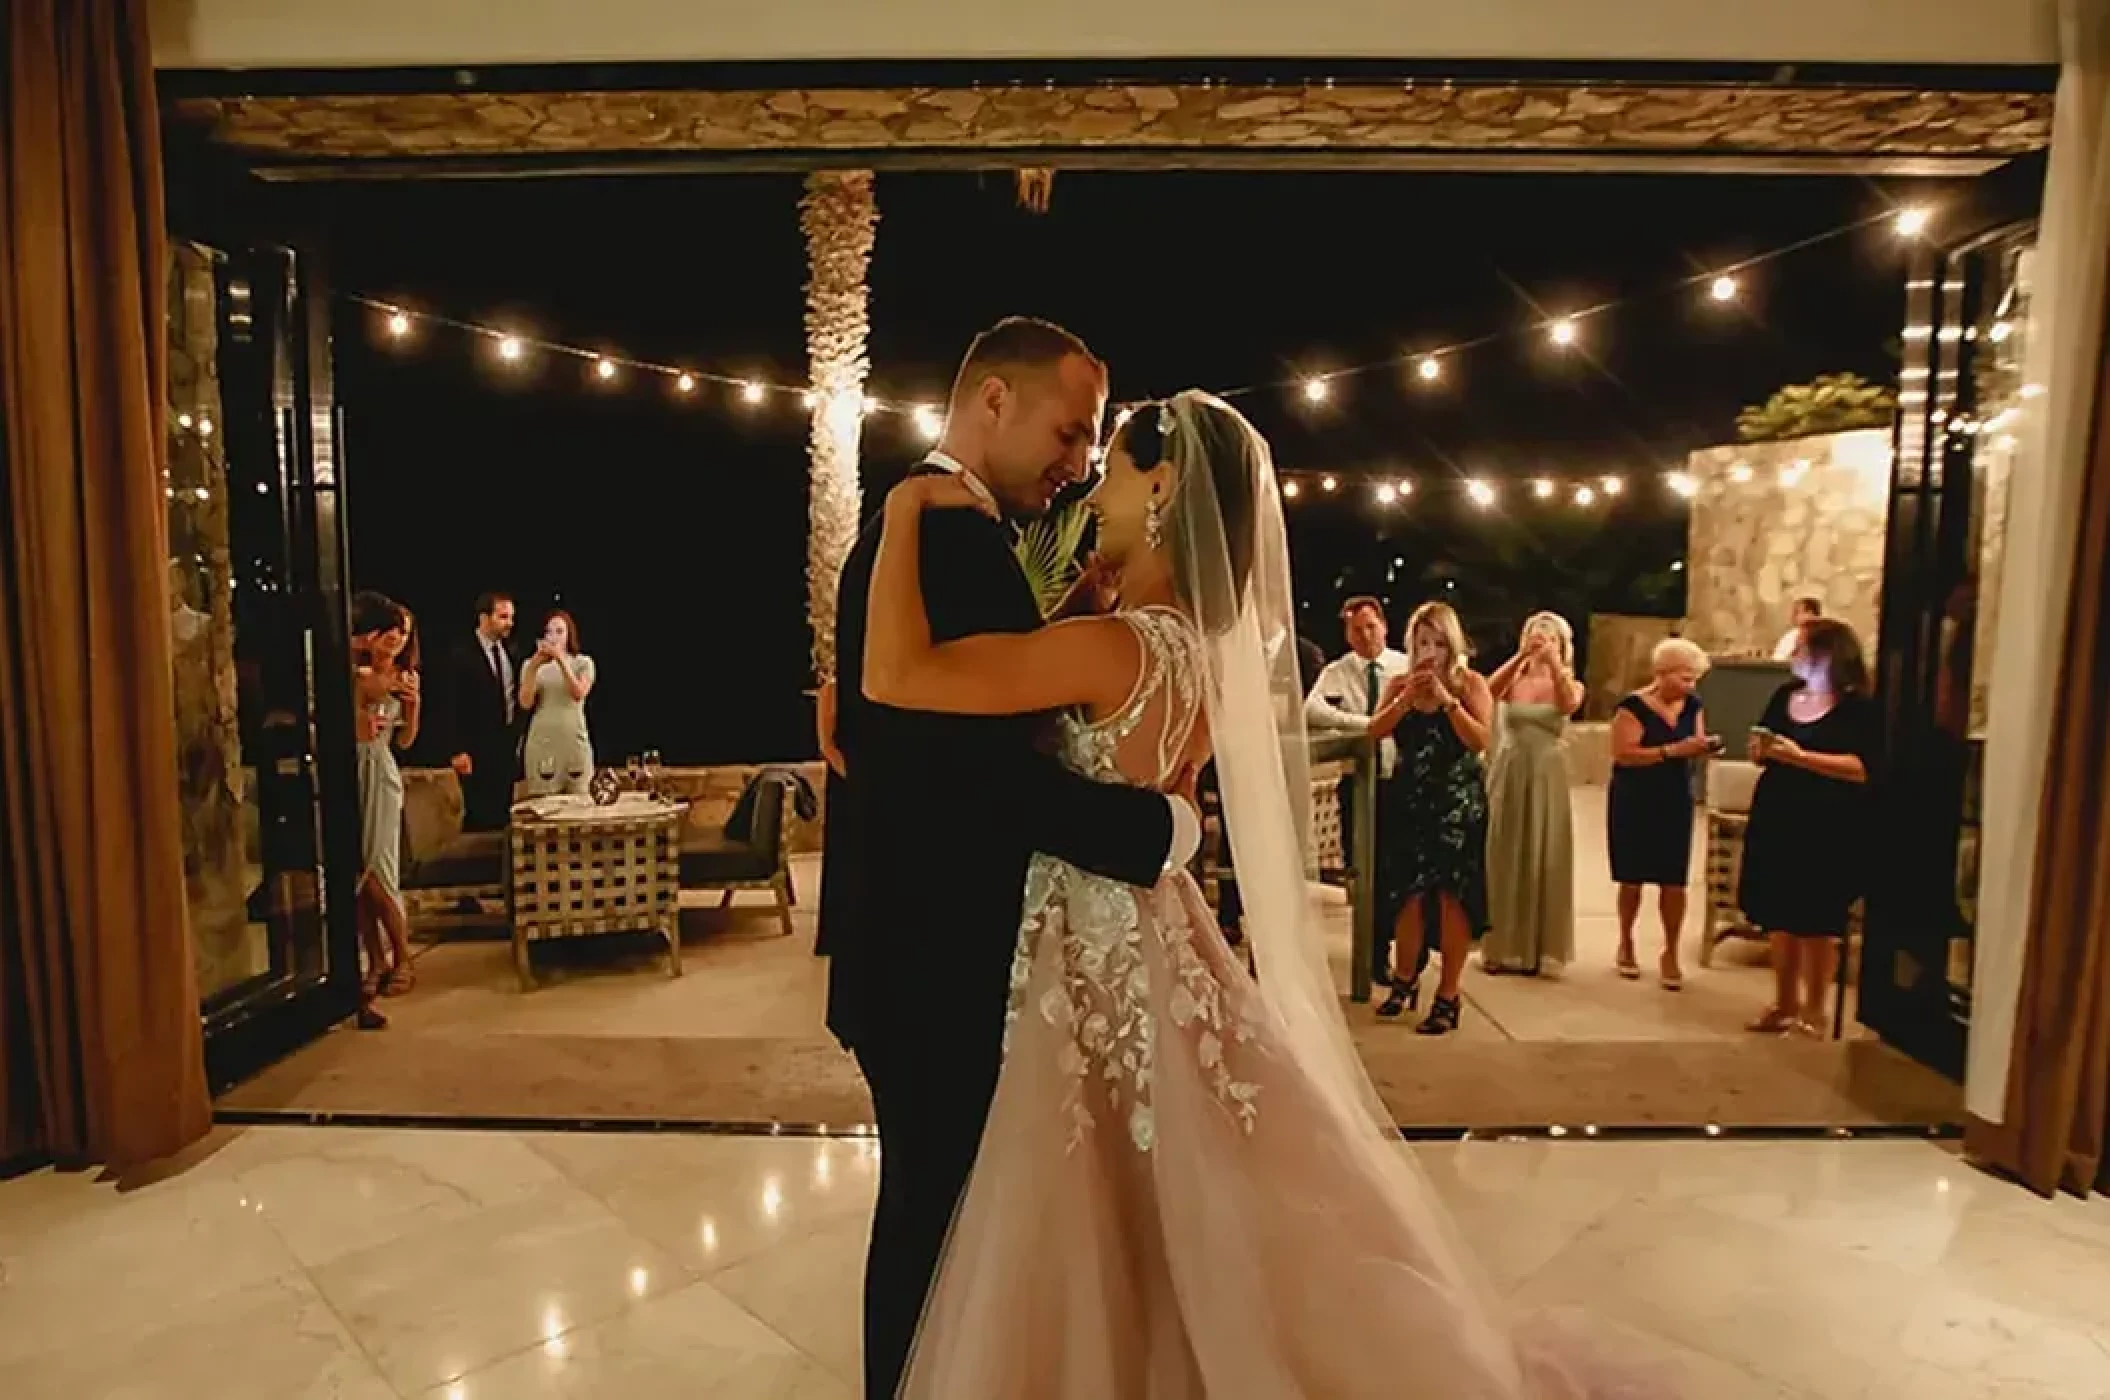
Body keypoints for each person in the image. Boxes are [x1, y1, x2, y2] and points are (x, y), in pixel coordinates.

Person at [869, 391, 1666, 1398]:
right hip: (1160, 930)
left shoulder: (1110, 649)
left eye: (1111, 467)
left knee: (1097, 1200)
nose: (1093, 487)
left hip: (1083, 952)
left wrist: (902, 513)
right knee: (1180, 1193)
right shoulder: (1194, 646)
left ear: (1161, 487)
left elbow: (897, 674)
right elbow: (1167, 793)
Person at [827, 318, 1201, 1400]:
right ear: (992, 399)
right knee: (932, 1220)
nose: (1080, 462)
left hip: (930, 945)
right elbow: (968, 778)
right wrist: (1154, 834)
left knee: (955, 1218)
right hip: (930, 957)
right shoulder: (941, 531)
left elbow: (971, 737)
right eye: (1069, 429)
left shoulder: (956, 533)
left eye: (1097, 445)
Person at [1741, 619, 1878, 1036]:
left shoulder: (1859, 708)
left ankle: (1815, 1011)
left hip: (1828, 819)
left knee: (1818, 918)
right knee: (1780, 914)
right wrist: (1763, 751)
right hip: (1779, 811)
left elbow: (1863, 768)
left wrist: (1800, 756)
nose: (1794, 656)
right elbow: (1764, 748)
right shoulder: (1784, 696)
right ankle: (1783, 1003)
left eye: (1802, 648)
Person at [1376, 600, 1494, 1031]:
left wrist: (1447, 703)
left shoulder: (1471, 684)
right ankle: (1405, 978)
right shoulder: (1399, 683)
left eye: (1438, 643)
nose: (1430, 652)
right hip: (1410, 800)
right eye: (1422, 642)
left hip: (1457, 804)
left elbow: (1480, 740)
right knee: (1407, 895)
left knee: (1451, 897)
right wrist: (1406, 700)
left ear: (1453, 645)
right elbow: (1375, 730)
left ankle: (1448, 995)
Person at [1305, 596, 1417, 985]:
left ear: (1384, 627)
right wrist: (1365, 724)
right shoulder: (1338, 671)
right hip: (1359, 782)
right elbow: (1312, 710)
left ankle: (1394, 953)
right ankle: (1371, 953)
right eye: (1356, 629)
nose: (1365, 635)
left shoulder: (1406, 667)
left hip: (1401, 781)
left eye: (1371, 627)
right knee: (1364, 871)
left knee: (1397, 873)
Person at [1607, 638, 1715, 989]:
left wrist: (1702, 747)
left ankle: (1670, 951)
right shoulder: (1631, 707)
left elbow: (1693, 743)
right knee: (1632, 876)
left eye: (1694, 678)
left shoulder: (1693, 705)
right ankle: (1626, 941)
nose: (1690, 685)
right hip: (1636, 796)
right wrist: (1671, 750)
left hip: (1674, 796)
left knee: (1674, 879)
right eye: (1685, 678)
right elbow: (1624, 753)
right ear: (1662, 673)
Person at [1482, 610, 1584, 976]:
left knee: (1544, 855)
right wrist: (1520, 657)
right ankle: (1498, 945)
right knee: (1503, 855)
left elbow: (1570, 704)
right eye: (1536, 637)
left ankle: (1540, 949)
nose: (1542, 644)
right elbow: (1487, 692)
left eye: (1550, 638)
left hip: (1545, 772)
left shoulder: (1567, 681)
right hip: (1511, 769)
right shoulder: (1515, 679)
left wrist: (1555, 663)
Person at [350, 591, 421, 1019]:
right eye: (390, 630)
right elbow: (362, 689)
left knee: (379, 869)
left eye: (403, 632)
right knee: (357, 874)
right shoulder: (359, 674)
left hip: (379, 766)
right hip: (350, 767)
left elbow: (408, 741)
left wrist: (411, 711)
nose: (396, 638)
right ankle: (374, 959)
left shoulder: (405, 678)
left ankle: (403, 955)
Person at [444, 591, 522, 830]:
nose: (509, 623)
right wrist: (456, 749)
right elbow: (449, 705)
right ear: (484, 618)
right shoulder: (460, 654)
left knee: (504, 813)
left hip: (506, 744)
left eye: (511, 617)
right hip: (475, 747)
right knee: (480, 816)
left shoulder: (513, 651)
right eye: (503, 617)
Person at [518, 609, 596, 796]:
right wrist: (534, 667)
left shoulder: (582, 663)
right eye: (548, 632)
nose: (554, 637)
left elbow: (578, 693)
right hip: (542, 743)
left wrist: (561, 660)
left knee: (579, 801)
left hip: (573, 742)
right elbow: (525, 703)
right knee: (544, 806)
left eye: (560, 631)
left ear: (569, 634)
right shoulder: (530, 665)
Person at [1771, 596, 1822, 661]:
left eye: (1797, 612)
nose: (1793, 616)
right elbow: (1777, 660)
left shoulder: (1827, 634)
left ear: (1810, 613)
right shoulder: (1791, 636)